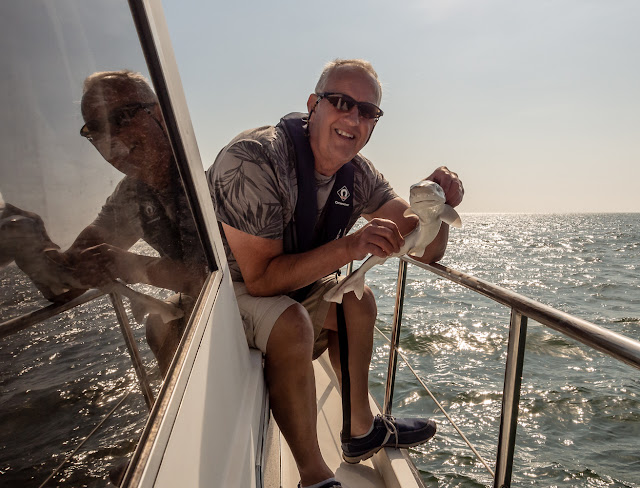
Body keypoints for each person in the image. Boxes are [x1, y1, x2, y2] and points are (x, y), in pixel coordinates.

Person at [207, 59, 464, 488]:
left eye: (367, 111)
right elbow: (261, 281)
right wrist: (349, 246)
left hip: (288, 282)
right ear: (313, 106)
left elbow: (423, 249)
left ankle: (359, 430)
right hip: (224, 289)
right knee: (291, 322)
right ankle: (313, 474)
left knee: (357, 299)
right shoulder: (254, 159)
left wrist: (435, 208)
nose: (353, 117)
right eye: (341, 102)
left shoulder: (359, 175)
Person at [65, 70, 206, 376]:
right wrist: (34, 247)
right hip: (210, 302)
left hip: (253, 294)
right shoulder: (132, 192)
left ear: (160, 114)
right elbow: (72, 271)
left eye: (123, 117)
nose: (111, 139)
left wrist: (128, 265)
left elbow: (210, 276)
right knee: (159, 328)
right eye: (96, 129)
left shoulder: (201, 177)